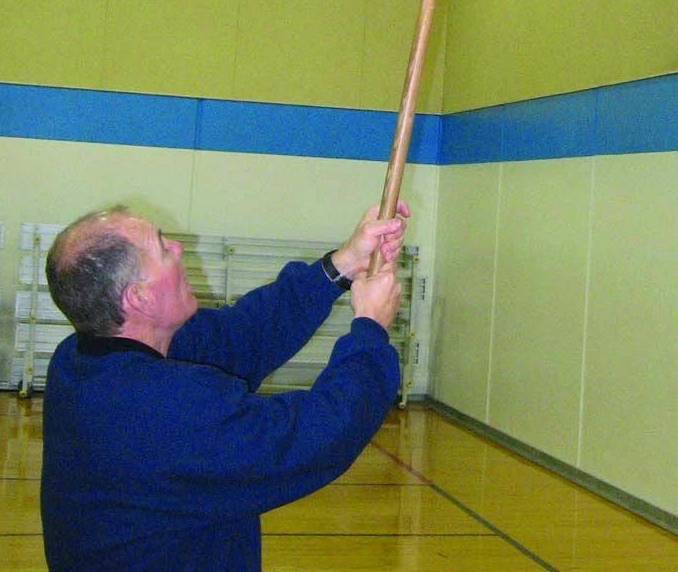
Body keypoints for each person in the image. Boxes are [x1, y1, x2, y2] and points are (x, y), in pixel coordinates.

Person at [39, 199, 410, 571]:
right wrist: (370, 328)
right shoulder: (161, 409)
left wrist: (344, 263)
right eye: (163, 249)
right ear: (139, 298)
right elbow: (319, 433)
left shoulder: (80, 358)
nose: (178, 248)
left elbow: (242, 336)